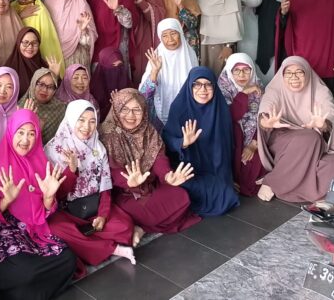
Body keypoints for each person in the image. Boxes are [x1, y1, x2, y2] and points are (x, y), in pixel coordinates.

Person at [0, 109, 76, 300]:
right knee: (25, 271)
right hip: (3, 228)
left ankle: (21, 294)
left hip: (35, 229)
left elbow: (46, 210)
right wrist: (6, 201)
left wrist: (48, 197)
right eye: (20, 132)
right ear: (11, 132)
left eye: (31, 134)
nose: (25, 140)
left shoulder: (41, 163)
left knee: (68, 260)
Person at [44, 100, 136, 278]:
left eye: (92, 121)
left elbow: (105, 187)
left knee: (124, 226)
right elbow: (56, 195)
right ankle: (112, 248)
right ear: (71, 119)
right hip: (66, 211)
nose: (86, 127)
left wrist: (103, 215)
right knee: (55, 229)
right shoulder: (53, 150)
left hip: (93, 208)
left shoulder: (98, 148)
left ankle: (85, 244)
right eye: (81, 120)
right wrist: (71, 170)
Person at [101, 89, 200, 235]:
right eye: (125, 109)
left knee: (182, 197)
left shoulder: (149, 131)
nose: (131, 115)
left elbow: (159, 158)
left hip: (150, 187)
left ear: (144, 111)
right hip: (124, 193)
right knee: (143, 212)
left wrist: (167, 176)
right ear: (116, 109)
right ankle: (147, 224)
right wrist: (128, 182)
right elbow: (112, 170)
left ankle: (142, 228)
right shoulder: (107, 135)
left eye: (137, 110)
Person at [256, 56, 334, 203]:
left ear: (307, 72)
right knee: (310, 137)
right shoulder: (275, 89)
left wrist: (323, 124)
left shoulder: (319, 89)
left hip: (314, 141)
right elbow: (266, 109)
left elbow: (332, 114)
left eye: (299, 72)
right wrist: (267, 122)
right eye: (288, 73)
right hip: (283, 138)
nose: (294, 77)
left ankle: (321, 198)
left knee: (333, 164)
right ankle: (272, 182)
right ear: (282, 75)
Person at [162, 66, 239, 216]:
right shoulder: (179, 107)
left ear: (214, 87)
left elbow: (226, 147)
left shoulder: (220, 108)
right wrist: (182, 142)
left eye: (208, 84)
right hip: (188, 170)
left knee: (227, 195)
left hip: (215, 170)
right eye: (197, 84)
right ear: (190, 86)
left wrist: (227, 178)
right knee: (183, 191)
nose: (203, 89)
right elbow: (166, 139)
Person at [114, 0, 166, 84]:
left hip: (141, 36)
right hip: (119, 35)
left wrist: (140, 0)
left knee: (139, 70)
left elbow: (159, 12)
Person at [217, 53, 266, 197]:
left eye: (246, 70)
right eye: (236, 71)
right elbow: (230, 117)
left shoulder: (259, 88)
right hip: (231, 138)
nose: (241, 75)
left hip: (254, 137)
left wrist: (254, 144)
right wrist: (244, 94)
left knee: (254, 165)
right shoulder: (222, 89)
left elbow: (265, 118)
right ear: (229, 72)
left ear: (252, 71)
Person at [139, 18, 198, 129]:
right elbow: (144, 94)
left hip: (186, 113)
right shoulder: (156, 56)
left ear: (180, 33)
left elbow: (197, 84)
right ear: (160, 38)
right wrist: (154, 72)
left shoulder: (190, 54)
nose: (170, 39)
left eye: (173, 33)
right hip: (160, 115)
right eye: (165, 35)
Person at [84, 0, 136, 68]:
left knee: (115, 74)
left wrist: (118, 9)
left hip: (117, 44)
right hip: (94, 45)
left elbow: (130, 23)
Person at [10, 0, 64, 75]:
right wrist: (20, 16)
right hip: (15, 57)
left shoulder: (39, 10)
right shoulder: (12, 6)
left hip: (32, 57)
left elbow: (46, 42)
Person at [44, 0, 98, 69]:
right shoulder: (47, 6)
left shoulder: (82, 5)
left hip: (76, 58)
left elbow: (89, 41)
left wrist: (83, 31)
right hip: (52, 58)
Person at [4, 27, 60, 98]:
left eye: (34, 43)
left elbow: (57, 94)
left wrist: (55, 76)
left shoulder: (45, 67)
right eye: (25, 42)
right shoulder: (8, 69)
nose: (30, 46)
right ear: (18, 43)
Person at [19, 67, 67, 145]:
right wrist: (27, 119)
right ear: (33, 84)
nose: (44, 90)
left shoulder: (61, 109)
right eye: (41, 84)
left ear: (55, 90)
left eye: (50, 87)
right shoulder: (20, 108)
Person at [90, 48, 131, 121]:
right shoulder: (92, 93)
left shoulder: (129, 88)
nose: (117, 70)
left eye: (120, 66)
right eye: (112, 66)